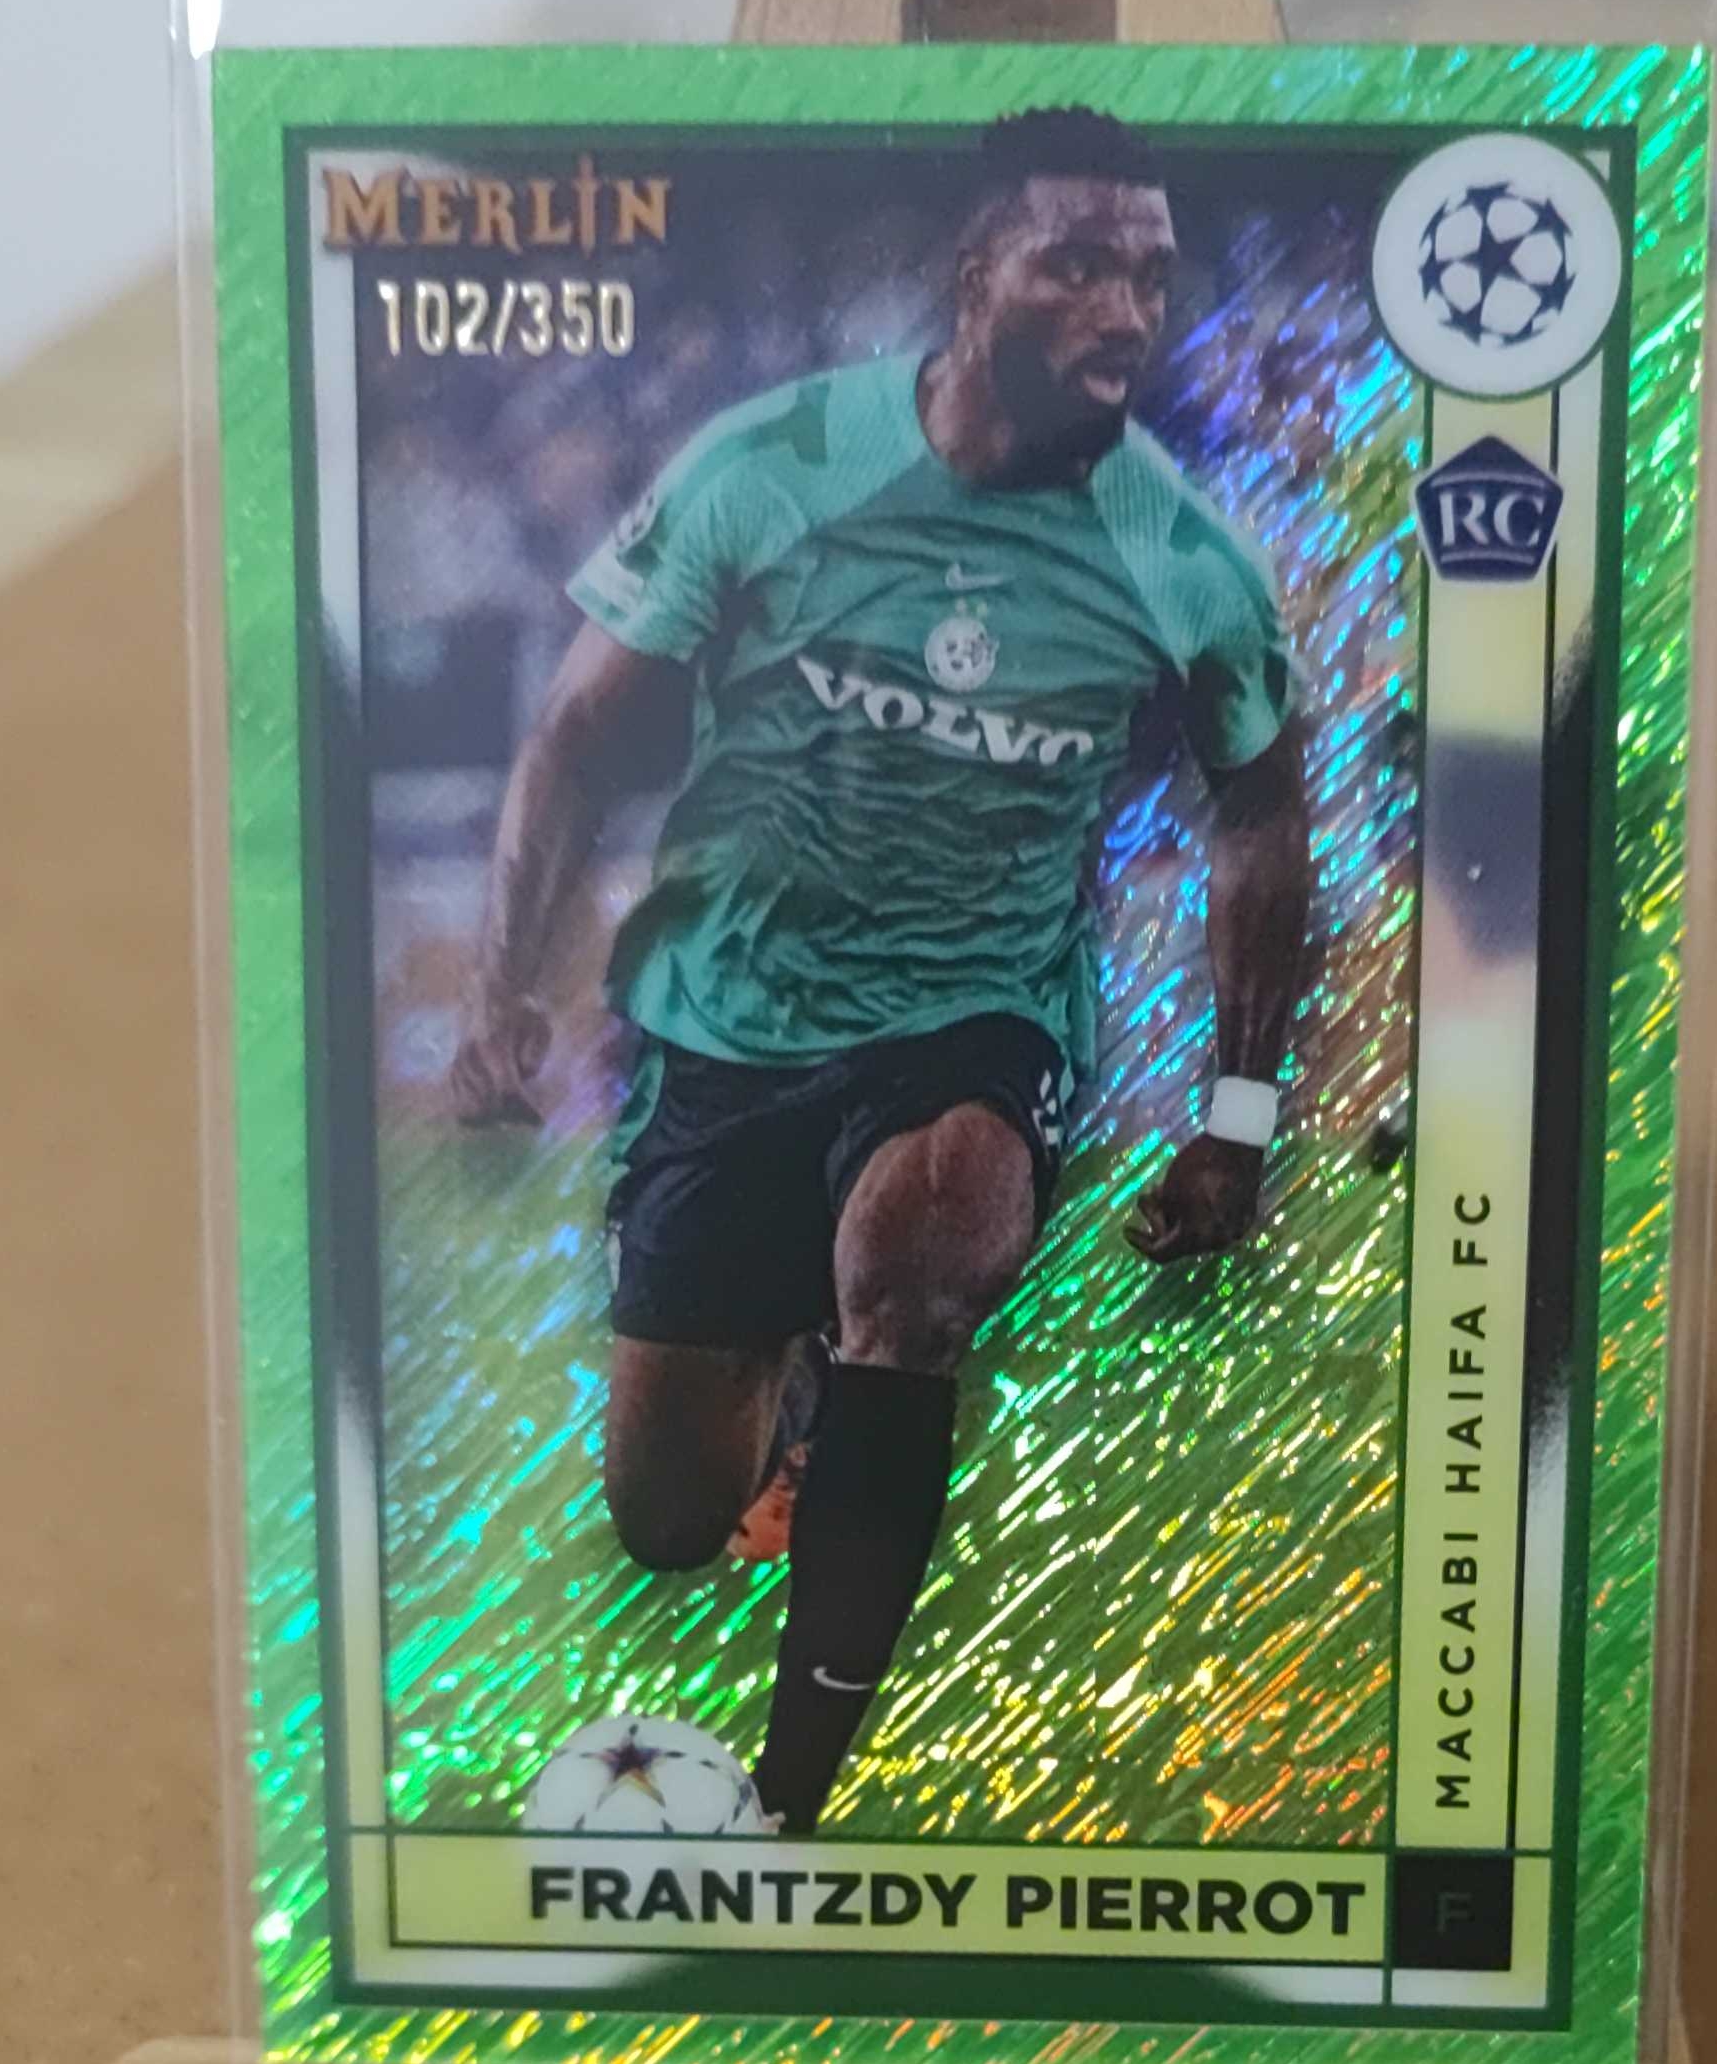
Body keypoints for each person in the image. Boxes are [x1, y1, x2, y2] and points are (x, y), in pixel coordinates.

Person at [448, 106, 1311, 1833]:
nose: (1125, 310)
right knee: (672, 1522)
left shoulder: (1184, 557)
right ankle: (792, 1383)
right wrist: (503, 991)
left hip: (976, 1016)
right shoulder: (772, 463)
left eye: (1150, 277)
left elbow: (1264, 821)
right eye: (1078, 264)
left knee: (918, 1269)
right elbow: (573, 736)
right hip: (733, 1017)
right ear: (971, 276)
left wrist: (1238, 1119)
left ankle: (791, 1807)